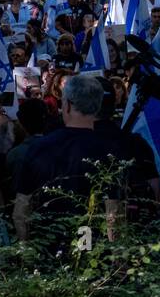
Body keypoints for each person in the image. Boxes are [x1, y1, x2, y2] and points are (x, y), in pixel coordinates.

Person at [13, 73, 135, 242]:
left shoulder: (39, 147)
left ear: (68, 105)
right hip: (92, 248)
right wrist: (116, 259)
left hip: (47, 247)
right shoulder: (110, 151)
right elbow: (113, 212)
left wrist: (24, 249)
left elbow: (21, 209)